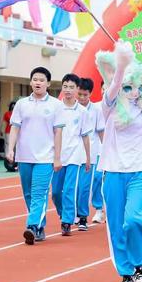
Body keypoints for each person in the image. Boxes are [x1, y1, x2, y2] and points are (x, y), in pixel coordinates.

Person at [7, 67, 65, 244]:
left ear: (48, 83)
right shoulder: (22, 104)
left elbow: (58, 132)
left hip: (45, 158)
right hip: (24, 156)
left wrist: (57, 157)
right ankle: (39, 227)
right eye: (35, 79)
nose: (38, 82)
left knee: (39, 193)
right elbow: (15, 128)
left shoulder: (56, 105)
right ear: (30, 82)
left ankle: (32, 226)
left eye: (41, 79)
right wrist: (11, 149)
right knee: (28, 194)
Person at [51, 74, 92, 236]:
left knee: (69, 189)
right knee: (55, 192)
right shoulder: (55, 108)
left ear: (77, 89)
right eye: (65, 86)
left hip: (75, 156)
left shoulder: (82, 112)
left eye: (71, 87)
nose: (68, 90)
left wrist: (88, 158)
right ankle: (63, 212)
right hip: (56, 155)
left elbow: (85, 136)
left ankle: (67, 221)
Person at [77, 78, 105, 227]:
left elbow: (101, 132)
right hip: (71, 155)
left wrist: (107, 149)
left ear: (90, 94)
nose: (81, 98)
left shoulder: (96, 110)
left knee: (86, 186)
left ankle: (83, 215)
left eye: (84, 95)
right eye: (79, 94)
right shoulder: (69, 109)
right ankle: (70, 212)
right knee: (67, 188)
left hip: (91, 154)